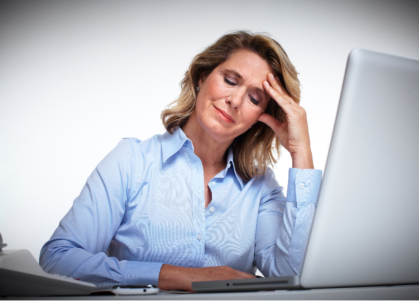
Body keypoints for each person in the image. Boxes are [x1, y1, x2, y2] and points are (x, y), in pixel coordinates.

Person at [40, 31, 322, 292]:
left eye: (254, 98)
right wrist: (178, 275)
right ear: (202, 77)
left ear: (261, 116)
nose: (235, 101)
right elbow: (57, 259)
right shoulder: (132, 161)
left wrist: (301, 150)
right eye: (230, 80)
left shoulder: (261, 188)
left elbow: (291, 274)